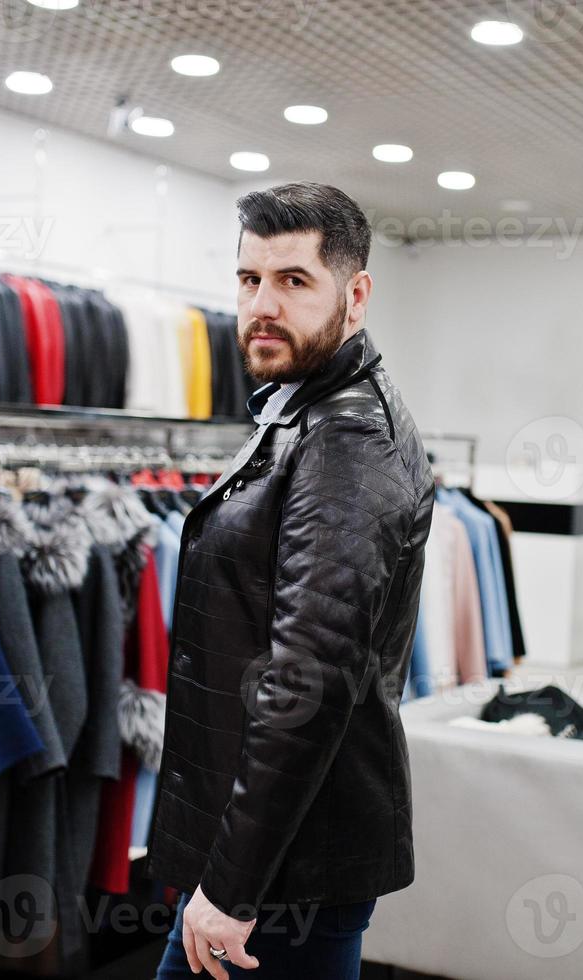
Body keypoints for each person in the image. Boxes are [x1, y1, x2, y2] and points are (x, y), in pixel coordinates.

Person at [149, 181, 435, 979]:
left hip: (284, 870)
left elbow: (305, 681)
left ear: (356, 293)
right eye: (249, 280)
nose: (262, 305)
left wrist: (234, 885)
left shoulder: (347, 441)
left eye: (293, 281)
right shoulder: (299, 410)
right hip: (265, 849)